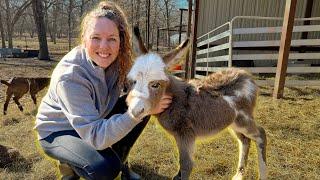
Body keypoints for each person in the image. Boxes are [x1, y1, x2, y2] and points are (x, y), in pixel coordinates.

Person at [34, 1, 172, 180]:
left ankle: (121, 160)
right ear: (84, 38)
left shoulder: (117, 61)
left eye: (112, 39)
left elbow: (144, 82)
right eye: (96, 38)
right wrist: (136, 113)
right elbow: (96, 137)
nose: (104, 47)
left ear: (120, 41)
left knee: (144, 102)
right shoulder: (70, 76)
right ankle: (71, 166)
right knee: (104, 168)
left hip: (94, 117)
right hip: (59, 131)